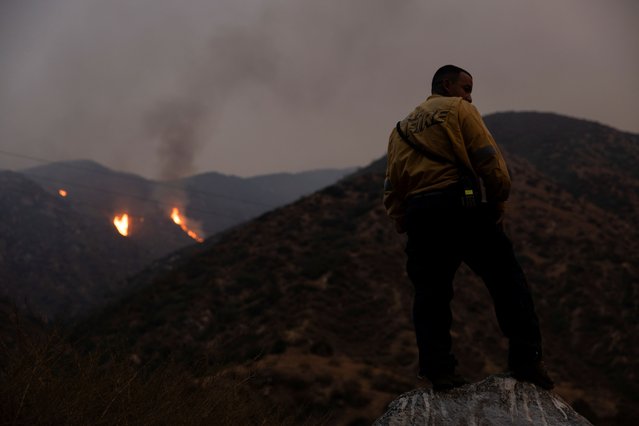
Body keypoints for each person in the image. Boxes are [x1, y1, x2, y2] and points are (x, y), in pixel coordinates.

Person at [383, 65, 554, 391]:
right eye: (466, 87)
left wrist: (403, 220)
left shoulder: (400, 129)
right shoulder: (460, 110)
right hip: (460, 209)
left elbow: (392, 185)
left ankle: (439, 372)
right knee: (508, 282)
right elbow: (489, 159)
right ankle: (526, 361)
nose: (470, 95)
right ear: (447, 85)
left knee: (430, 296)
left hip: (421, 216)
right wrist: (498, 202)